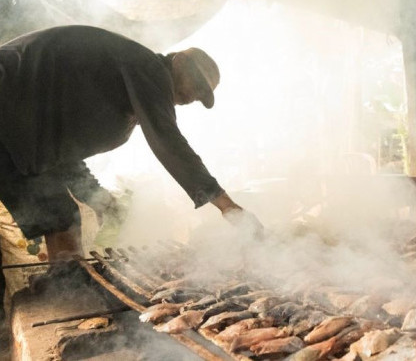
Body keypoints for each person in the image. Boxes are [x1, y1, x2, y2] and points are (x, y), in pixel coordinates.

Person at [0, 25, 263, 262]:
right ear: (179, 59)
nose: (194, 96)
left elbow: (62, 149)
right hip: (7, 118)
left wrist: (97, 196)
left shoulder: (128, 85)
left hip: (18, 132)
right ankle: (65, 287)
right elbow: (167, 139)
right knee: (60, 218)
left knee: (61, 216)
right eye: (197, 85)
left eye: (202, 95)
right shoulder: (149, 67)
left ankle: (65, 284)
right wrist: (227, 207)